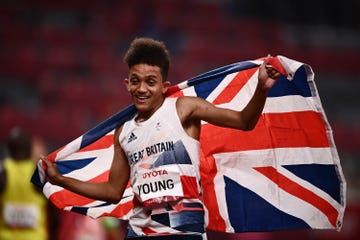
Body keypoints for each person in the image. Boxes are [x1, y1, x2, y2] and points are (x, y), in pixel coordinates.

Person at [43, 37, 281, 239]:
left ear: (165, 87)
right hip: (140, 230)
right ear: (127, 84)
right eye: (135, 81)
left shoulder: (183, 108)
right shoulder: (123, 132)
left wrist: (262, 88)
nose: (142, 89)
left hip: (184, 229)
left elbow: (243, 122)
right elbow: (113, 192)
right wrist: (61, 181)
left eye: (151, 82)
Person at [0, 127, 55, 240]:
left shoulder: (3, 171)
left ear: (9, 149)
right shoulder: (38, 172)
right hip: (35, 237)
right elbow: (53, 208)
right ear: (30, 149)